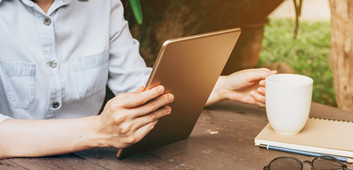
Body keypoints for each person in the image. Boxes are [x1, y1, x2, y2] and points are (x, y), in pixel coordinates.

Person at [0, 0, 275, 160]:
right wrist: (99, 130)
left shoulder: (103, 4)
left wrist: (222, 86)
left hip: (87, 167)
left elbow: (136, 84)